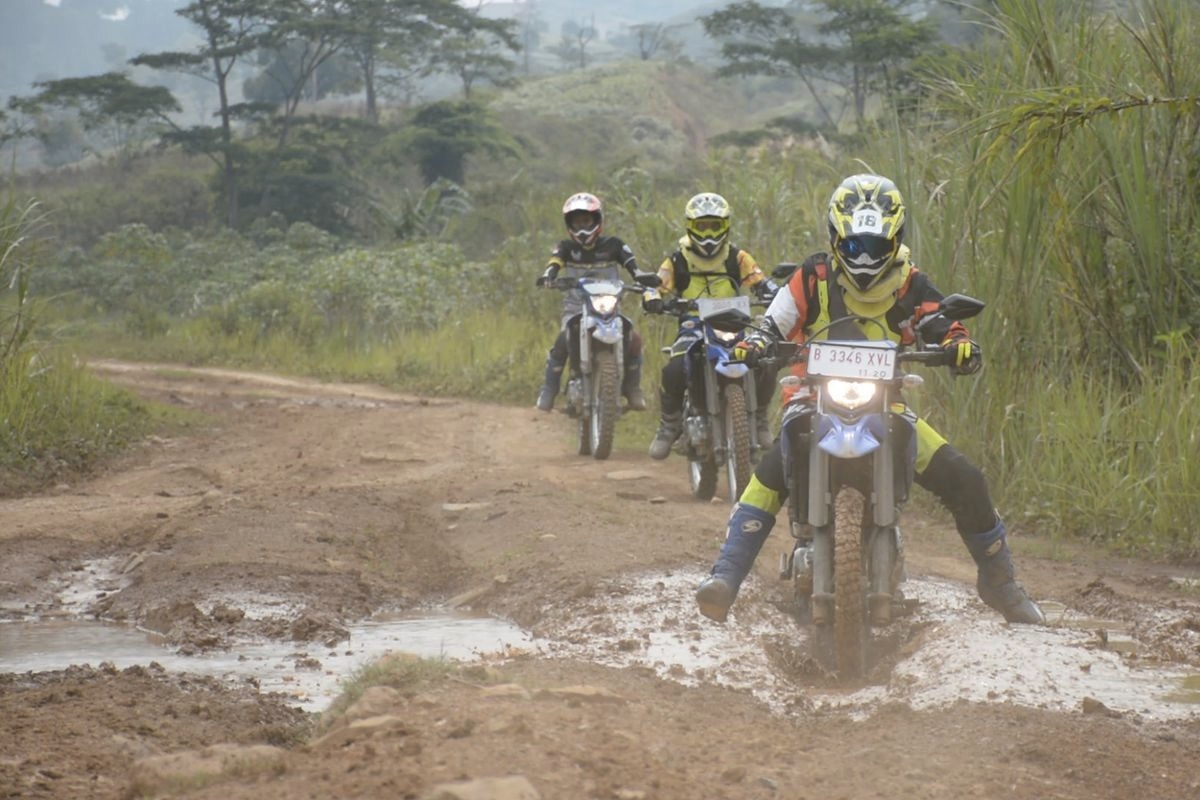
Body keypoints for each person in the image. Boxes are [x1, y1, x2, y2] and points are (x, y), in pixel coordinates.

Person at [695, 174, 1044, 626]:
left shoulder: (910, 282)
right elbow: (775, 320)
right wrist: (756, 341)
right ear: (836, 238)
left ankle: (1002, 584)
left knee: (966, 477)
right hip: (810, 399)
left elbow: (938, 320)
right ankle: (724, 579)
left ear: (894, 240)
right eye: (854, 245)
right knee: (767, 475)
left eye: (875, 247)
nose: (864, 257)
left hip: (888, 406)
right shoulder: (813, 275)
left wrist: (958, 343)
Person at [644, 192, 775, 459]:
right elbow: (657, 285)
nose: (708, 233)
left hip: (735, 322)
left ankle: (760, 417)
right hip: (693, 324)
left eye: (714, 225)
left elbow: (760, 279)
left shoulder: (737, 257)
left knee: (766, 360)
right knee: (675, 367)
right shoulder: (678, 259)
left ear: (725, 226)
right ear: (690, 227)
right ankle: (669, 425)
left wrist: (773, 291)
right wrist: (653, 299)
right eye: (702, 226)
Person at [535, 192, 651, 412]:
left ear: (597, 220)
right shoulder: (566, 247)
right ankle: (549, 389)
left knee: (633, 338)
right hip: (576, 307)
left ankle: (632, 388)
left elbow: (633, 266)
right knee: (564, 338)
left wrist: (641, 277)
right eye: (577, 222)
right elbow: (554, 262)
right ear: (569, 224)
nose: (582, 227)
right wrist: (549, 276)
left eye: (586, 221)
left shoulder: (614, 245)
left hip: (609, 306)